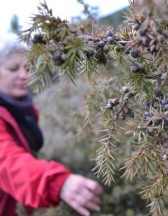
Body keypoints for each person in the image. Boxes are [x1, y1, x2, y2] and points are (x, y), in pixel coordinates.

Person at [0, 34, 104, 216]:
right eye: (13, 68)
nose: (24, 75)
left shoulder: (23, 109)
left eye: (28, 67)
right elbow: (6, 161)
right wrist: (56, 182)